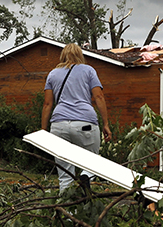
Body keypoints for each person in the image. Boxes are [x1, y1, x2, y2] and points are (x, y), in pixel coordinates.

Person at [40, 43, 112, 192]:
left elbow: (47, 104)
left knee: (65, 175)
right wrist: (105, 124)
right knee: (93, 162)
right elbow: (99, 96)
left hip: (58, 126)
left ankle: (66, 213)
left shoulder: (53, 74)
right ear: (80, 55)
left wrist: (43, 130)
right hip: (85, 124)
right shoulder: (89, 71)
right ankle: (85, 175)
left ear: (62, 55)